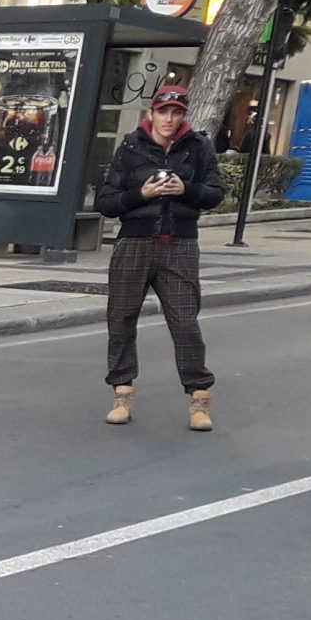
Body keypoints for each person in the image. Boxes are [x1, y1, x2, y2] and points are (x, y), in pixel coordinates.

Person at [95, 85, 224, 431]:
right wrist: (141, 193)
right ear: (151, 113)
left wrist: (187, 190)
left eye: (176, 112)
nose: (169, 119)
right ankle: (122, 394)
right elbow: (106, 202)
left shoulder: (198, 147)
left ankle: (199, 399)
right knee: (121, 319)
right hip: (134, 243)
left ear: (183, 115)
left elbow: (215, 194)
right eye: (163, 111)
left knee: (185, 323)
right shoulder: (131, 146)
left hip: (180, 245)